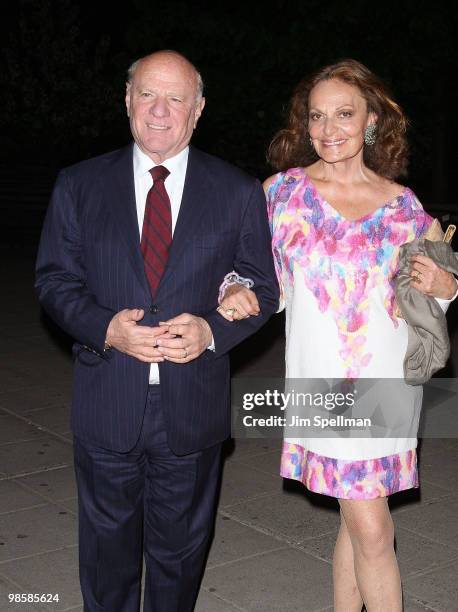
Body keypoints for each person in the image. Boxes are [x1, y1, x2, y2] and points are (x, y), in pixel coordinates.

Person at [35, 50, 279, 612]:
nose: (160, 110)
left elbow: (263, 289)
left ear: (198, 110)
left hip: (191, 410)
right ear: (127, 101)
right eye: (148, 94)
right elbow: (53, 280)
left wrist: (212, 331)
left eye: (176, 98)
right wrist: (106, 328)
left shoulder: (237, 191)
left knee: (180, 557)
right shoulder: (79, 184)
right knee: (106, 553)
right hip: (107, 400)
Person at [217, 59, 458, 611]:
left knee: (358, 524)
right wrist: (234, 289)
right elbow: (252, 275)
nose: (329, 129)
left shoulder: (405, 206)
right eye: (317, 116)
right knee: (372, 526)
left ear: (372, 119)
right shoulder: (281, 196)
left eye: (344, 114)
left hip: (389, 386)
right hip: (323, 386)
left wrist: (445, 282)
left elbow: (436, 291)